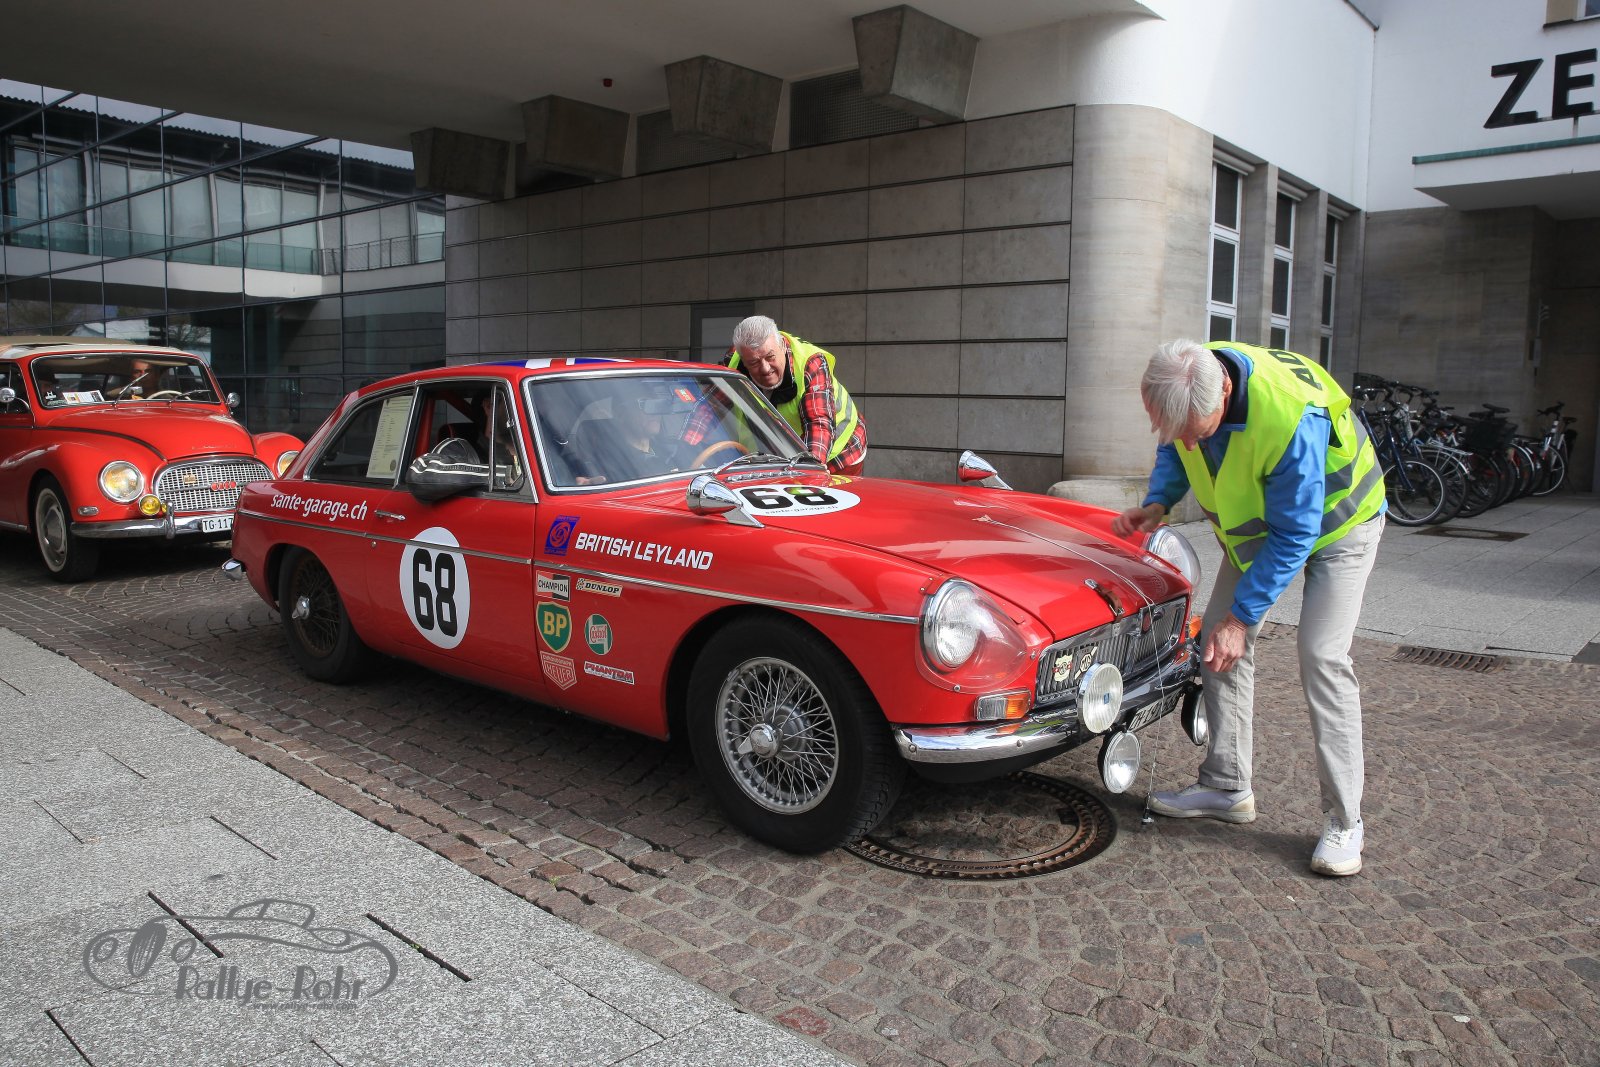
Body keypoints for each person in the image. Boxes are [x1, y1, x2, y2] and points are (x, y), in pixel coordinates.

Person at [1111, 339, 1386, 877]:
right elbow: (1177, 447)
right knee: (1215, 643)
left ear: (1225, 391)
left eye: (1197, 431)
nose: (1188, 441)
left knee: (1322, 656)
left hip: (1341, 524)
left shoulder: (1289, 419)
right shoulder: (1188, 384)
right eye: (1177, 430)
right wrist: (1158, 502)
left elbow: (1295, 534)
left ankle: (1345, 821)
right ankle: (1226, 786)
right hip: (1264, 529)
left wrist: (1242, 619)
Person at [719, 315, 867, 476]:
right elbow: (709, 407)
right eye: (754, 363)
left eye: (770, 357)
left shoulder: (811, 363)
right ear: (744, 360)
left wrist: (809, 470)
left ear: (782, 346)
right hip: (779, 458)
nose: (765, 369)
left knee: (815, 489)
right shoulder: (733, 362)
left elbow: (818, 423)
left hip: (841, 452)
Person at [573, 382, 675, 485]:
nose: (655, 412)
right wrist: (587, 487)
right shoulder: (611, 464)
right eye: (646, 405)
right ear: (621, 414)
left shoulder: (671, 449)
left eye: (657, 405)